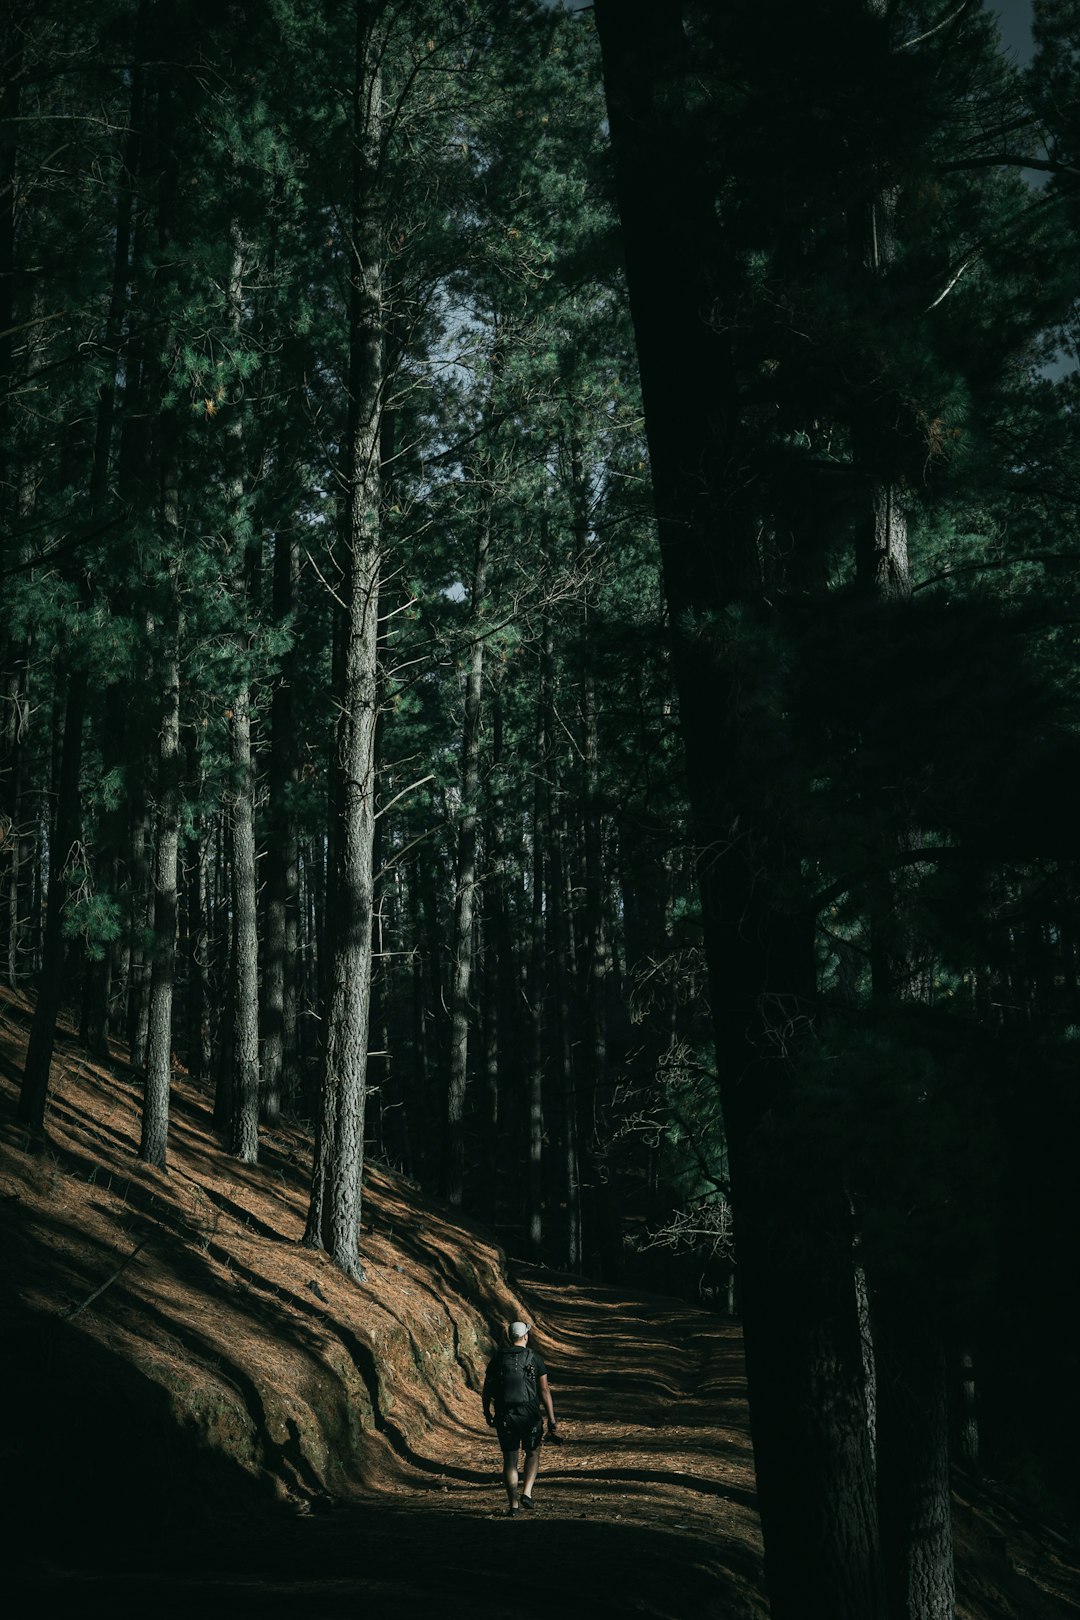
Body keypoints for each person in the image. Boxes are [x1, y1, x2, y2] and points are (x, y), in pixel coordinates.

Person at [482, 1319, 558, 1516]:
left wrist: (487, 1412)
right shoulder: (534, 1358)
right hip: (530, 1414)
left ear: (509, 1337)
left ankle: (513, 1505)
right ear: (525, 1336)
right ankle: (527, 1492)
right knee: (533, 1452)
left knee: (510, 1459)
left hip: (505, 1414)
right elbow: (544, 1390)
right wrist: (551, 1419)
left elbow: (487, 1390)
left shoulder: (498, 1358)